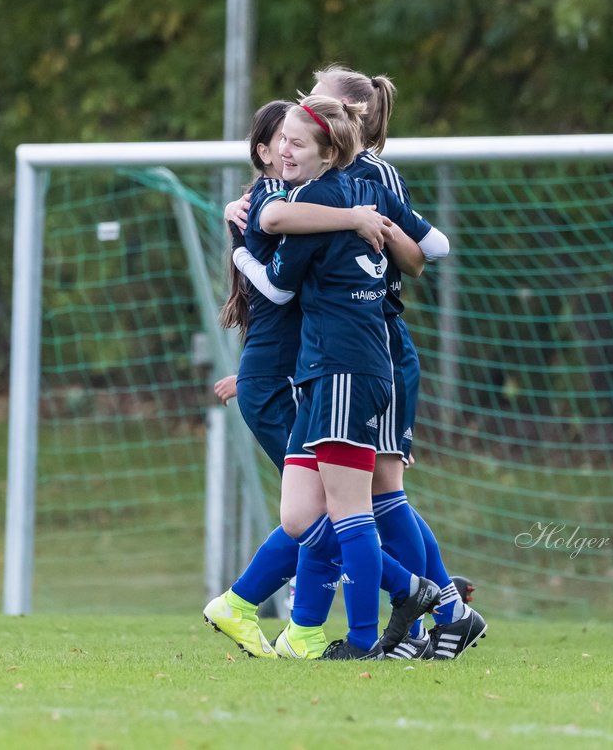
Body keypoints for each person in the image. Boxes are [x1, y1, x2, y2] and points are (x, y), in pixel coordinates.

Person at [256, 65, 484, 659]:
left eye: (315, 103)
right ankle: (413, 619)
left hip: (369, 346)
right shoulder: (319, 178)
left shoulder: (369, 175)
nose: (300, 113)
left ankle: (430, 614)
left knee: (374, 496)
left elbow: (427, 252)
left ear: (344, 119)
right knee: (354, 498)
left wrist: (372, 224)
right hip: (346, 351)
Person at [203, 99, 419, 659]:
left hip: (319, 372)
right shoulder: (288, 202)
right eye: (282, 141)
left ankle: (294, 625)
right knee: (340, 511)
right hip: (296, 376)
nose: (287, 149)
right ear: (264, 151)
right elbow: (274, 274)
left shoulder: (319, 199)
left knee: (316, 512)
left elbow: (424, 253)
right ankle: (412, 596)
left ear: (330, 149)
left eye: (300, 139)